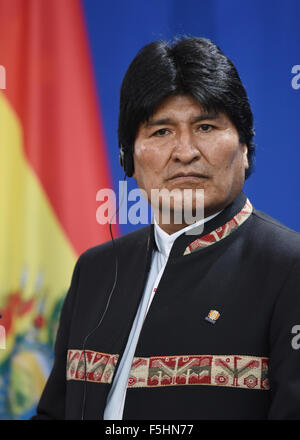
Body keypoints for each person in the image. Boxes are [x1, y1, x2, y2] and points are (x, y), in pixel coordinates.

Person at [32, 37, 300, 420]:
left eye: (206, 127)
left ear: (244, 148)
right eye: (161, 132)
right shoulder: (95, 270)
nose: (185, 151)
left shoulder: (289, 269)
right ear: (128, 158)